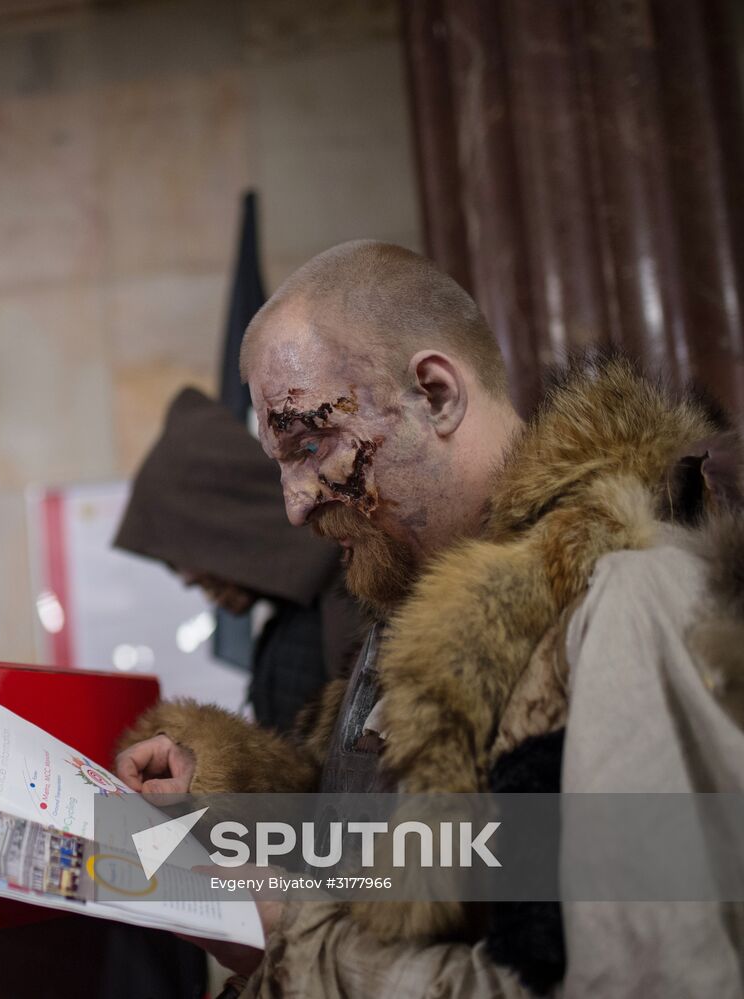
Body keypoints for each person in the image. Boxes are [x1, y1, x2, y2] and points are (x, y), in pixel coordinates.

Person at [115, 240, 744, 997]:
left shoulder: (632, 596)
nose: (292, 502)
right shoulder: (408, 607)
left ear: (436, 395)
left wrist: (293, 934)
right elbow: (373, 852)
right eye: (279, 462)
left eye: (310, 445)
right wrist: (218, 799)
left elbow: (640, 983)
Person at [113, 387, 365, 731]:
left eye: (183, 557)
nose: (188, 580)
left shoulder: (358, 595)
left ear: (224, 525)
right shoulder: (304, 608)